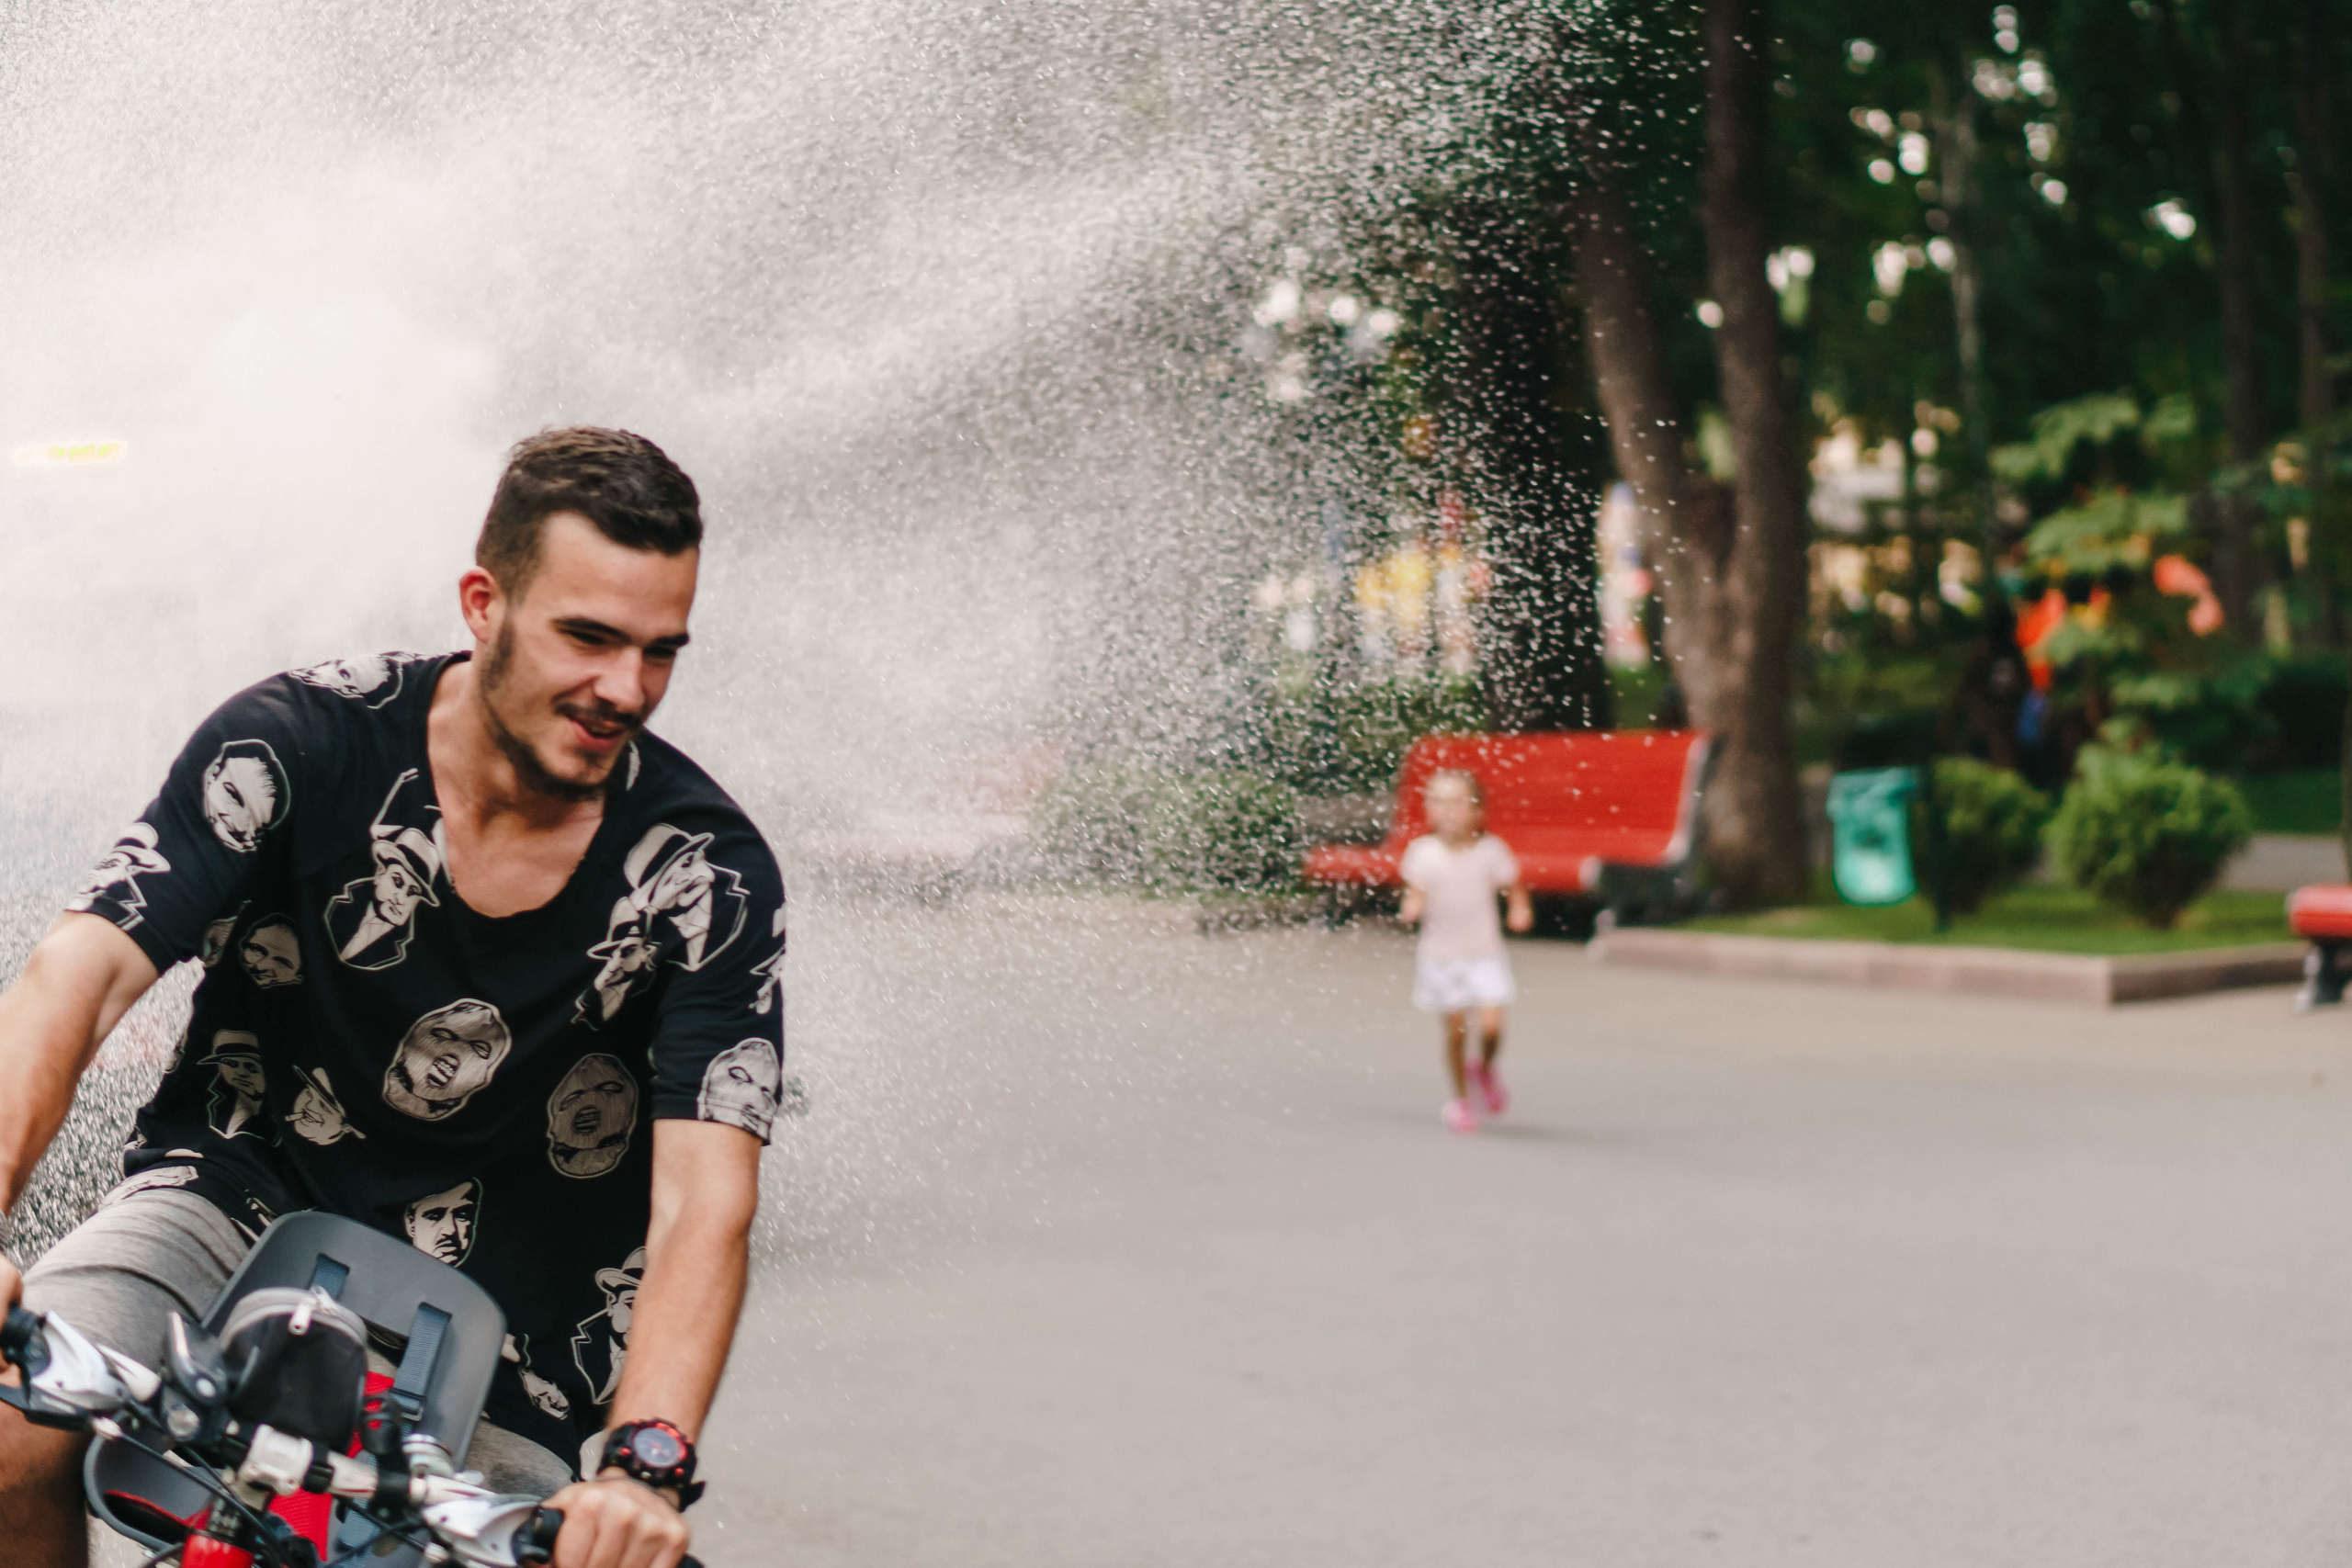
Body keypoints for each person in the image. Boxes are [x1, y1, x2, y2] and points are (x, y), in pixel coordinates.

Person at [0, 427, 786, 1568]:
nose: (626, 689)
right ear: (484, 604)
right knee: (7, 1418)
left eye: (659, 651)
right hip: (228, 1209)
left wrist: (643, 1468)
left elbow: (702, 1204)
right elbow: (79, 972)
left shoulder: (706, 877)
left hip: (505, 1349)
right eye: (587, 637)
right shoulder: (295, 744)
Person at [1396, 770, 1532, 1134]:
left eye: (1457, 802)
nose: (1448, 810)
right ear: (1428, 810)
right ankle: (1460, 1100)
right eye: (1438, 801)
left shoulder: (1491, 851)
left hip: (1484, 954)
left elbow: (1512, 885)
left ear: (1477, 810)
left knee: (1491, 1029)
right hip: (1440, 957)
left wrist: (1519, 907)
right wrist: (1412, 906)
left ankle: (1483, 1070)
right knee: (1456, 1033)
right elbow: (1415, 891)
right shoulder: (1423, 852)